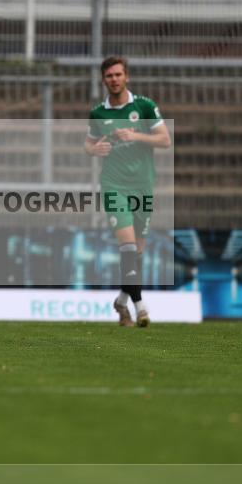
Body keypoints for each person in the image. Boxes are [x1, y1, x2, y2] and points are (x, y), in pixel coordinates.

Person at [85, 56, 172, 327]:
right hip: (113, 186)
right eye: (109, 76)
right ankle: (140, 307)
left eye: (118, 75)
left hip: (143, 185)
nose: (114, 79)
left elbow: (165, 140)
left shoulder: (143, 106)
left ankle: (121, 301)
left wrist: (136, 136)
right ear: (103, 80)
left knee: (136, 254)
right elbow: (89, 144)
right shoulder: (99, 113)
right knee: (128, 247)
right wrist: (94, 149)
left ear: (127, 77)